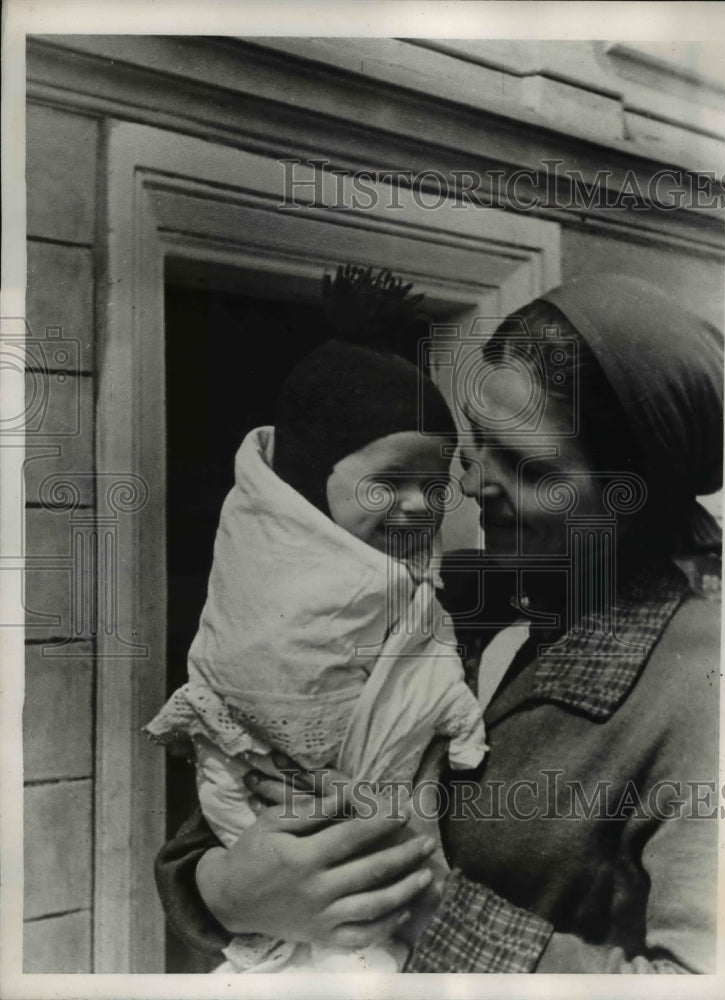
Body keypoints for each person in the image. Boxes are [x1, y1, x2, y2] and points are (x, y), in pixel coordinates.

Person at [154, 273, 723, 974]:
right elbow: (245, 778)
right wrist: (224, 893)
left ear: (633, 496)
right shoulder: (444, 597)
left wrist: (421, 904)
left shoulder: (707, 689)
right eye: (480, 442)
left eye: (527, 465)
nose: (476, 483)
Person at [146, 267, 487, 973]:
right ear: (308, 479)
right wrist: (223, 888)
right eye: (387, 483)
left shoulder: (435, 596)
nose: (421, 508)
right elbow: (219, 808)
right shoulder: (267, 591)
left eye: (433, 486)